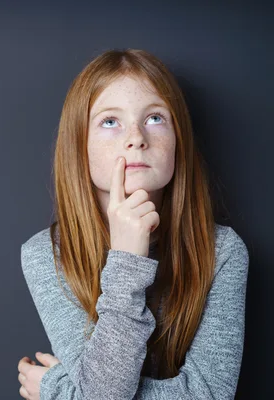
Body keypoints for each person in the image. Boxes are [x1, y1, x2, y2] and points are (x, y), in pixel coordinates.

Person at [16, 48, 249, 400]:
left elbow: (211, 395)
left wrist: (58, 392)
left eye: (155, 118)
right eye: (110, 121)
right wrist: (127, 262)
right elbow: (104, 393)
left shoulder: (224, 252)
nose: (136, 137)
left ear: (177, 140)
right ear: (80, 145)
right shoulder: (46, 254)